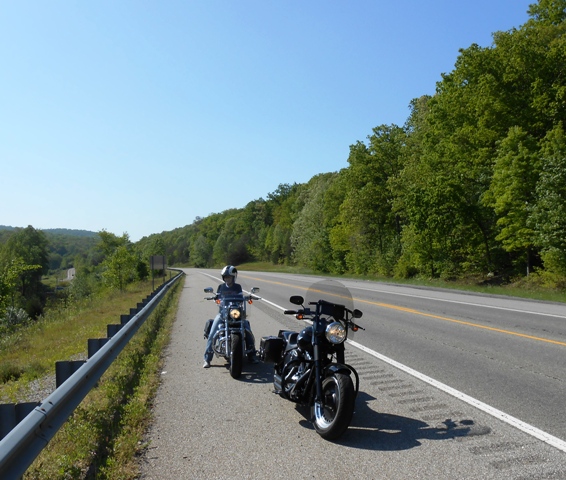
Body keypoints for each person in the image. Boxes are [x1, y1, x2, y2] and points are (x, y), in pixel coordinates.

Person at [203, 265, 258, 368]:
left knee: (247, 330)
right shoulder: (221, 287)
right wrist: (215, 297)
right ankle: (207, 359)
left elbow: (241, 297)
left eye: (229, 277)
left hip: (236, 313)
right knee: (212, 334)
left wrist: (247, 297)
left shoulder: (238, 287)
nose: (227, 279)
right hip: (223, 314)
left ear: (233, 277)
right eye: (225, 277)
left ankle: (252, 355)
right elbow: (218, 297)